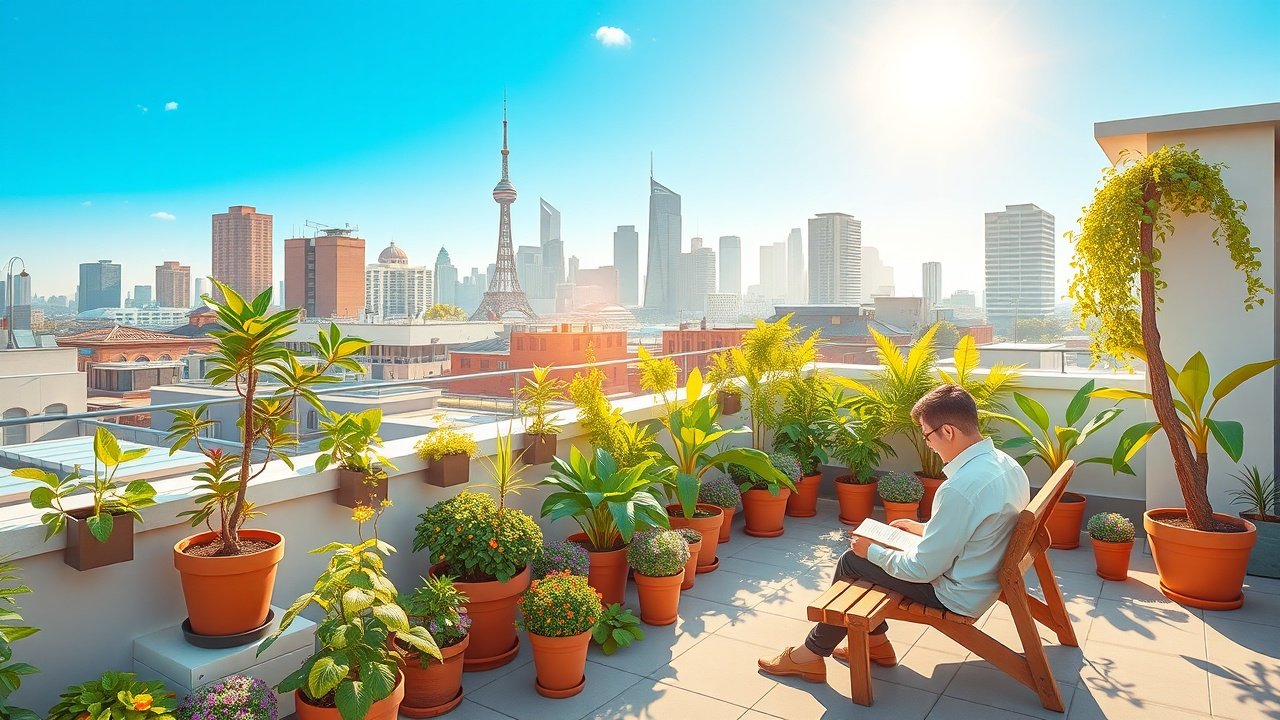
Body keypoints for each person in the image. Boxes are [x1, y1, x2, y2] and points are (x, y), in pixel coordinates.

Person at [757, 384, 1030, 682]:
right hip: (982, 577)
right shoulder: (1006, 465)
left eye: (927, 435)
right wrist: (924, 529)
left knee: (853, 561)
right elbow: (980, 527)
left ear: (948, 432)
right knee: (868, 555)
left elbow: (923, 569)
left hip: (957, 594)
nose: (928, 444)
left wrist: (871, 551)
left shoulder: (960, 488)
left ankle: (811, 654)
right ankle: (876, 646)